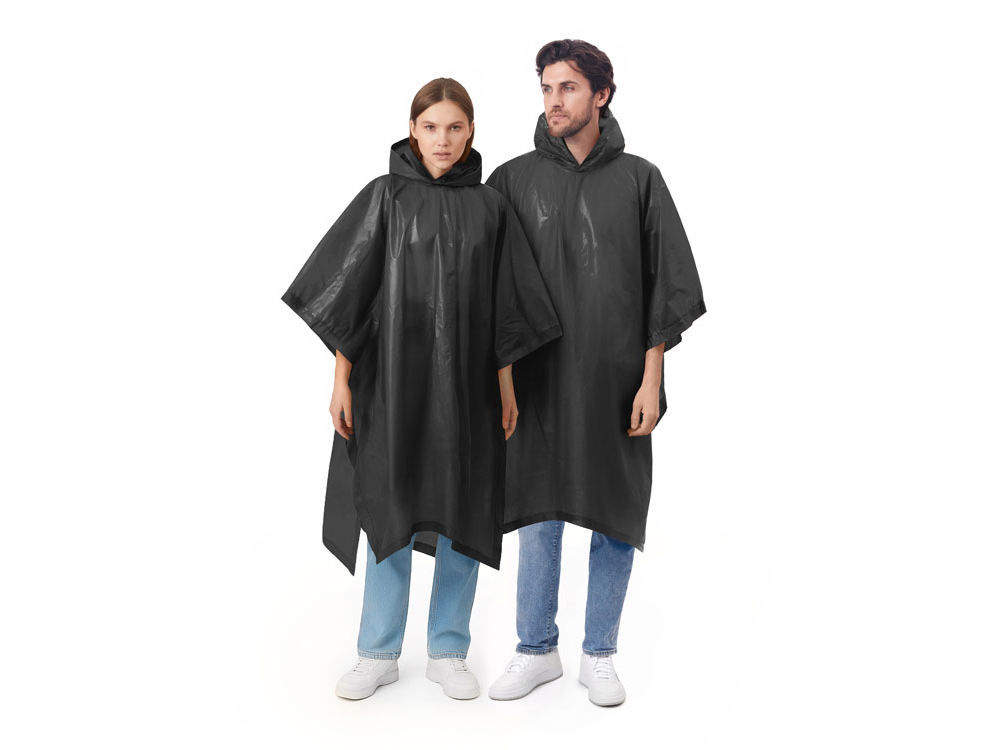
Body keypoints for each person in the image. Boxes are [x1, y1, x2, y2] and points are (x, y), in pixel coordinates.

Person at [281, 78, 561, 700]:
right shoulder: (385, 197)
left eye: (455, 127)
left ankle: (448, 650)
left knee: (465, 505)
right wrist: (341, 381)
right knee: (391, 503)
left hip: (468, 388)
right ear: (412, 130)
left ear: (471, 132)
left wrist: (507, 385)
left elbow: (506, 306)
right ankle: (377, 652)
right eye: (431, 127)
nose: (442, 140)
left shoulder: (490, 208)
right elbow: (351, 296)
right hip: (393, 385)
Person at [485, 40, 706, 706]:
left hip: (617, 379)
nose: (554, 101)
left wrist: (651, 380)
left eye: (569, 88)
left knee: (615, 513)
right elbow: (486, 286)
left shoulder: (640, 180)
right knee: (539, 510)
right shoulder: (512, 180)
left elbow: (666, 284)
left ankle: (599, 654)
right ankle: (536, 650)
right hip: (537, 382)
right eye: (546, 88)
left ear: (601, 95)